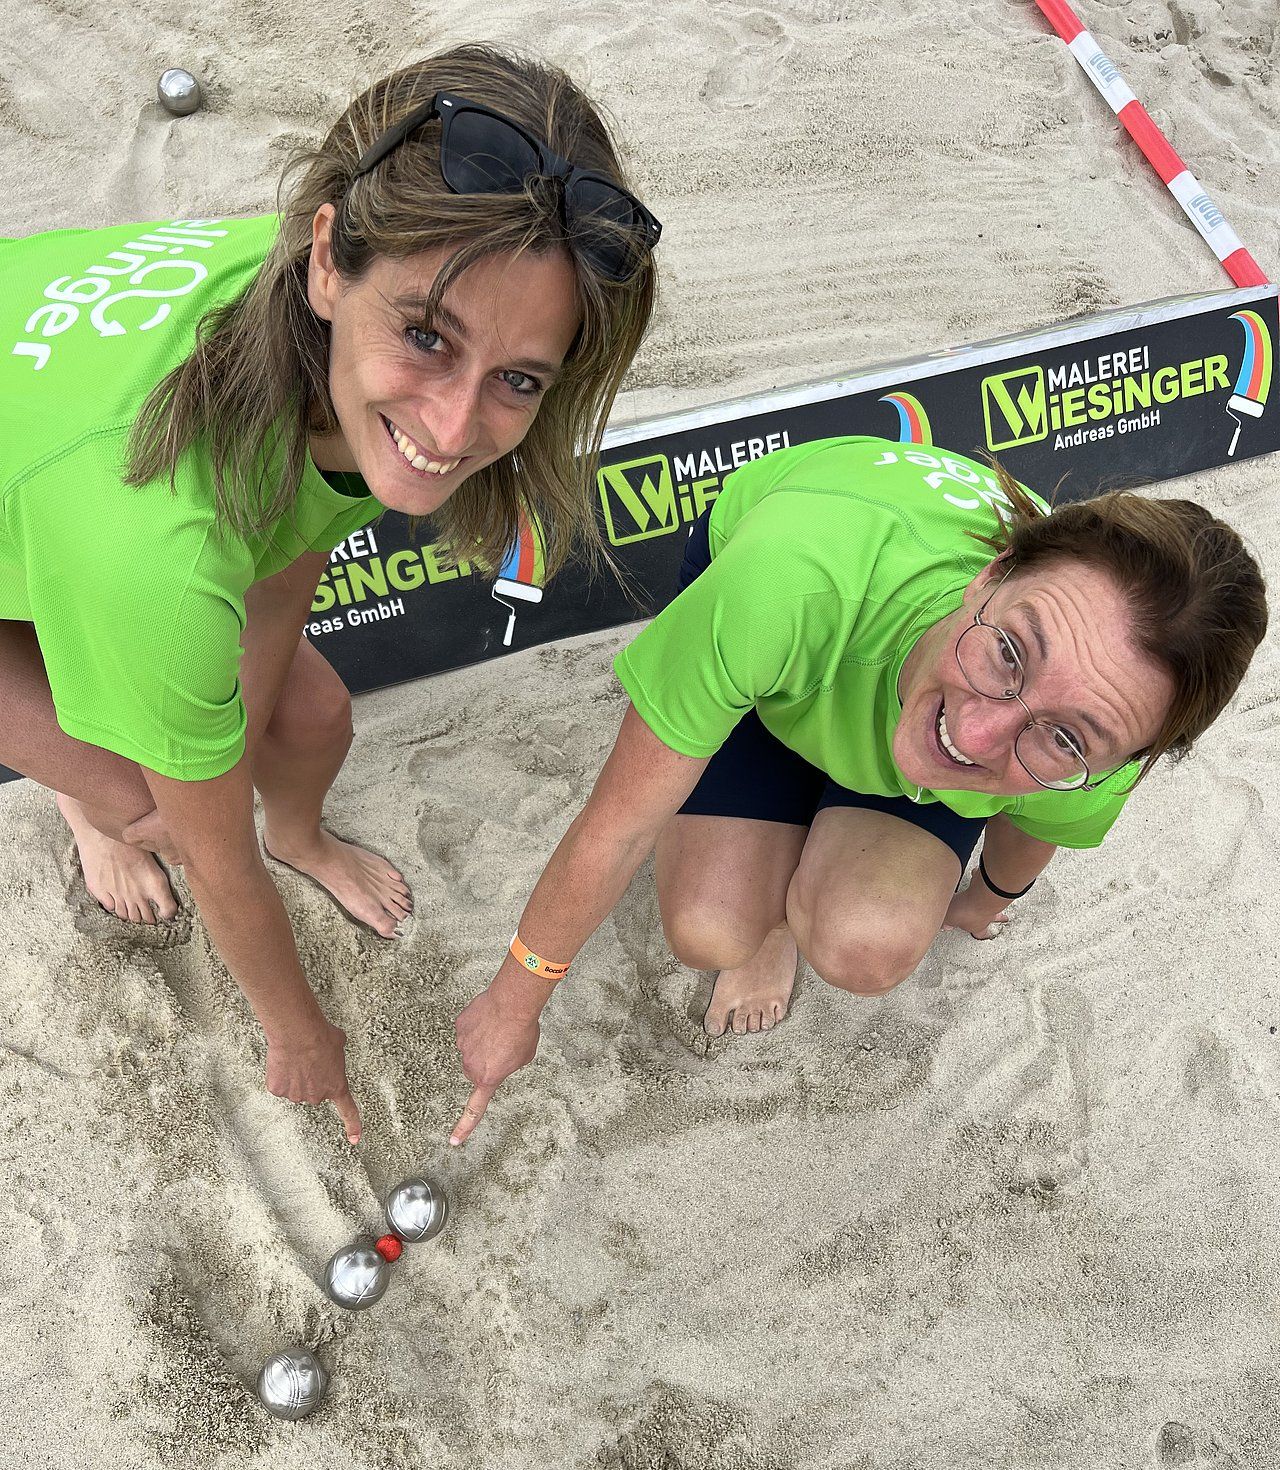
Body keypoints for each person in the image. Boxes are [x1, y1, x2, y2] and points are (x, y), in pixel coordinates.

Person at [0, 45, 660, 1141]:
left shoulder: (322, 330)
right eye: (426, 339)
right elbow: (214, 865)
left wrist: (249, 744)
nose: (454, 431)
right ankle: (86, 811)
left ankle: (301, 834)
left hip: (46, 453)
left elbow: (295, 539)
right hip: (75, 493)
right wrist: (300, 1035)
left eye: (518, 380)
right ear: (324, 262)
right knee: (144, 802)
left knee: (306, 716)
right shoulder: (160, 553)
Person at [451, 434, 1267, 1141]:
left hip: (867, 659)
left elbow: (1039, 820)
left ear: (1129, 761)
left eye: (1062, 736)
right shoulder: (784, 585)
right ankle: (778, 882)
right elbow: (619, 824)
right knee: (711, 929)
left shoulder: (1104, 744)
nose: (976, 738)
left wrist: (982, 899)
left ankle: (820, 811)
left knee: (867, 944)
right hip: (807, 605)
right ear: (991, 574)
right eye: (1010, 652)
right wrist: (514, 1002)